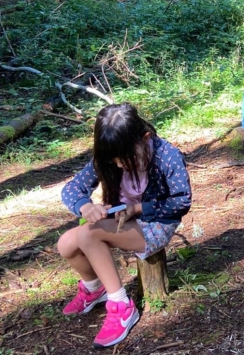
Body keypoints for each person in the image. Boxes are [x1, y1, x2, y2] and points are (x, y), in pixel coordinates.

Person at [58, 103, 192, 348]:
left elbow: (181, 201)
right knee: (66, 244)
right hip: (123, 221)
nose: (119, 165)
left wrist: (138, 209)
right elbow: (71, 189)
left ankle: (121, 306)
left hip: (157, 223)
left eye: (125, 159)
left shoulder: (167, 155)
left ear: (145, 138)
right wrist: (85, 207)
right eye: (114, 160)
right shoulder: (110, 158)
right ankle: (93, 287)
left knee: (89, 235)